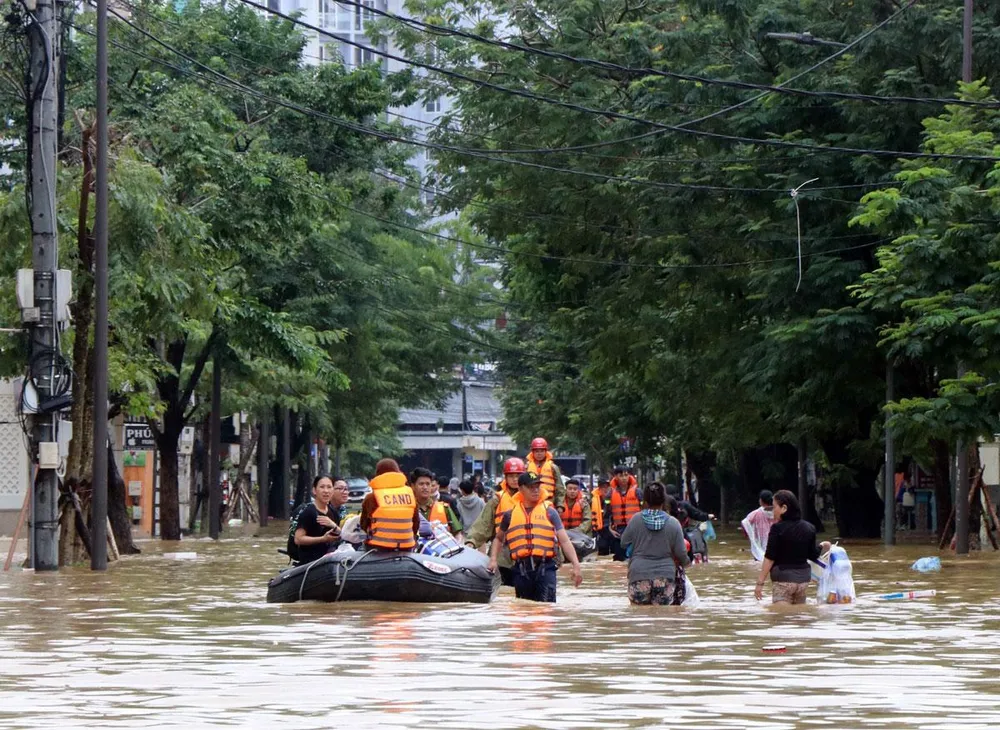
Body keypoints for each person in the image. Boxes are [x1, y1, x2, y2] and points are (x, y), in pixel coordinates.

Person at [489, 471, 583, 602]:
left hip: (546, 568)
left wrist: (576, 565)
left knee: (546, 610)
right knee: (524, 610)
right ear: (521, 489)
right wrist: (493, 560)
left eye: (537, 486)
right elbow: (499, 538)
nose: (535, 490)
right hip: (521, 570)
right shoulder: (510, 515)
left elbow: (565, 541)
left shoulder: (550, 512)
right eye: (530, 487)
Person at [754, 490, 830, 605]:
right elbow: (813, 555)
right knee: (799, 616)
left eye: (774, 507)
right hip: (803, 581)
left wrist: (760, 584)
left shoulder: (777, 529)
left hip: (783, 581)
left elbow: (769, 558)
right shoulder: (809, 528)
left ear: (784, 508)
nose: (773, 511)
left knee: (782, 618)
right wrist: (822, 545)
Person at [620, 483, 690, 605]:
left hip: (639, 574)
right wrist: (687, 563)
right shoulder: (673, 523)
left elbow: (623, 543)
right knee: (662, 618)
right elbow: (681, 552)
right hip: (665, 576)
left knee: (639, 616)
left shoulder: (636, 519)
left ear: (645, 500)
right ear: (664, 500)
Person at [465, 457, 527, 586]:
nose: (515, 479)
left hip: (524, 553)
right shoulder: (497, 500)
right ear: (505, 477)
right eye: (511, 476)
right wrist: (471, 542)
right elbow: (483, 524)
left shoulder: (530, 498)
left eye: (518, 476)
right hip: (501, 555)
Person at [360, 458, 420, 551]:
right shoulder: (409, 494)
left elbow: (363, 524)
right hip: (406, 547)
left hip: (378, 547)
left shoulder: (372, 497)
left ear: (378, 474)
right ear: (398, 472)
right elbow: (416, 523)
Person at [293, 475, 346, 564]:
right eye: (322, 487)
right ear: (314, 490)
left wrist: (333, 525)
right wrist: (322, 539)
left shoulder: (333, 512)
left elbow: (341, 535)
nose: (326, 491)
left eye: (329, 487)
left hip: (329, 561)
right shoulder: (308, 512)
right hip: (310, 563)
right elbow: (298, 539)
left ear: (332, 490)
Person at [411, 467, 463, 539]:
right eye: (421, 484)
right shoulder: (408, 510)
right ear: (413, 486)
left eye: (428, 484)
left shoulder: (444, 508)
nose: (425, 487)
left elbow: (458, 534)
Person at [609, 466, 642, 561]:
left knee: (635, 557)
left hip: (635, 529)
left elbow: (644, 510)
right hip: (618, 531)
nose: (624, 478)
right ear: (615, 477)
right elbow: (607, 513)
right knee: (619, 558)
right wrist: (610, 529)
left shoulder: (637, 492)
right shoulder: (610, 493)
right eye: (620, 475)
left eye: (626, 475)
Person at [525, 437, 565, 508]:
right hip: (531, 502)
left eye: (541, 451)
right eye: (536, 451)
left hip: (549, 502)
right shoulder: (526, 467)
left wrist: (560, 505)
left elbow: (559, 488)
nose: (539, 454)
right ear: (532, 452)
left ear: (545, 452)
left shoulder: (553, 467)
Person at [741, 490, 775, 561]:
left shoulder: (756, 513)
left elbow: (744, 523)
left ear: (761, 501)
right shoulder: (777, 511)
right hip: (774, 542)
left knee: (760, 561)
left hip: (760, 544)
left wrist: (750, 536)